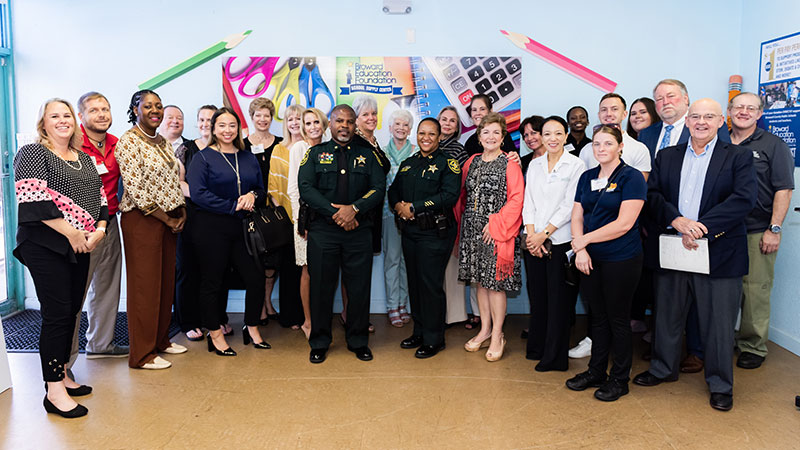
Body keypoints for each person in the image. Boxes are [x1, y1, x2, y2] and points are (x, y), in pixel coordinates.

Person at [633, 99, 757, 412]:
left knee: (717, 323)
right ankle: (663, 368)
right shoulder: (667, 155)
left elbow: (743, 199)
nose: (701, 122)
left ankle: (720, 384)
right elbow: (653, 195)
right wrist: (677, 221)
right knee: (668, 314)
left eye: (709, 117)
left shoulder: (738, 156)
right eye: (696, 117)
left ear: (721, 122)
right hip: (675, 245)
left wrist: (701, 227)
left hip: (719, 251)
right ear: (687, 122)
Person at [14, 98, 108, 418]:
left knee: (70, 312)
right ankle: (53, 390)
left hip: (80, 245)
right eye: (54, 116)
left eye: (66, 115)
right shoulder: (32, 153)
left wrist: (100, 231)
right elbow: (33, 202)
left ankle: (64, 373)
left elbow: (103, 199)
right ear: (44, 123)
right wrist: (74, 233)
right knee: (56, 314)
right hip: (44, 245)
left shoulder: (84, 158)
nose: (62, 120)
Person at [636, 80, 731, 373]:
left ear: (686, 101)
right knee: (667, 301)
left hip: (707, 236)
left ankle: (698, 352)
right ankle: (664, 360)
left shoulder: (720, 141)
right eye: (659, 98)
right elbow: (652, 189)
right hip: (661, 227)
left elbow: (731, 193)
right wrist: (671, 219)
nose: (665, 102)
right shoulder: (649, 135)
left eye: (671, 96)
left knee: (704, 302)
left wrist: (699, 226)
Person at [298, 104, 386, 364]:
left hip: (359, 231)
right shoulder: (315, 154)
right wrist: (336, 213)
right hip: (323, 232)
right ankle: (319, 342)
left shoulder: (368, 155)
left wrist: (354, 209)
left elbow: (378, 188)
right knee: (321, 289)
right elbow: (306, 187)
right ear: (330, 125)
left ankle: (358, 341)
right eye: (339, 121)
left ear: (354, 124)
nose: (344, 126)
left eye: (349, 121)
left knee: (359, 289)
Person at [565, 125, 646, 401]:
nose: (601, 149)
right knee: (597, 318)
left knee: (618, 319)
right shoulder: (587, 177)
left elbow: (624, 224)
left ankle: (619, 379)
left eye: (608, 144)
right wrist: (582, 249)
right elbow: (577, 214)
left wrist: (584, 240)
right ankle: (596, 371)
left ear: (620, 146)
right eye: (597, 144)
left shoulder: (632, 178)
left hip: (621, 258)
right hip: (590, 259)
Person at [188, 107, 269, 356]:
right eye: (221, 125)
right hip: (211, 227)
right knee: (213, 281)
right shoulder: (202, 158)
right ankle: (215, 334)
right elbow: (198, 194)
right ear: (213, 129)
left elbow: (261, 189)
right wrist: (233, 204)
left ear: (239, 128)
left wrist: (251, 196)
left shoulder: (247, 157)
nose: (227, 130)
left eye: (232, 125)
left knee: (256, 278)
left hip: (243, 227)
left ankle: (252, 327)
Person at [116, 89, 187, 370]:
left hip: (168, 218)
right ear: (136, 110)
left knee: (165, 282)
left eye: (158, 106)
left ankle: (160, 341)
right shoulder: (129, 142)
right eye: (148, 106)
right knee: (145, 287)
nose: (155, 110)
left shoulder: (162, 142)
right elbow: (137, 190)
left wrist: (180, 212)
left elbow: (172, 181)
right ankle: (142, 354)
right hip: (143, 220)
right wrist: (167, 219)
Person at [728, 93, 794, 369]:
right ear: (729, 111)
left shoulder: (773, 145)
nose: (744, 112)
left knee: (754, 290)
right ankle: (722, 338)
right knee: (723, 289)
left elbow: (784, 189)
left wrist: (774, 229)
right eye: (738, 107)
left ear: (759, 114)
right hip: (721, 230)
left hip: (757, 229)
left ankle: (752, 346)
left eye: (750, 108)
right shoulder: (717, 141)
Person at [389, 118, 461, 358]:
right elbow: (393, 190)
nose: (426, 138)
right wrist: (399, 205)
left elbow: (449, 195)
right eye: (422, 133)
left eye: (431, 134)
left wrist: (415, 207)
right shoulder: (409, 163)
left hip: (435, 233)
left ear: (439, 137)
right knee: (415, 284)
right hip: (410, 232)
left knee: (430, 286)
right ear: (416, 135)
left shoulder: (448, 164)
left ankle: (434, 338)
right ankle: (419, 331)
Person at [456, 112, 524, 362]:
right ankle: (484, 330)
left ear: (504, 136)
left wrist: (495, 224)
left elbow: (517, 198)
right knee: (479, 283)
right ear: (478, 135)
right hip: (472, 231)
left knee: (495, 286)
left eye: (496, 132)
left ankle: (497, 335)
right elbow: (462, 194)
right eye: (486, 132)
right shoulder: (471, 162)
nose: (491, 136)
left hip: (498, 232)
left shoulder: (510, 163)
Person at [66, 92, 127, 368]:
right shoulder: (71, 143)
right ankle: (64, 360)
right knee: (74, 293)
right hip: (79, 229)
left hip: (110, 224)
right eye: (94, 110)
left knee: (107, 285)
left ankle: (100, 344)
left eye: (105, 109)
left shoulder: (118, 144)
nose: (101, 114)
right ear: (82, 116)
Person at [522, 116, 585, 372]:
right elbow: (529, 203)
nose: (552, 139)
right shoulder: (535, 165)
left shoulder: (576, 165)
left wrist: (544, 234)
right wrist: (531, 236)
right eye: (547, 134)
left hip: (559, 241)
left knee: (559, 302)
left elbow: (569, 205)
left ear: (566, 136)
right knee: (538, 299)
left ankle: (555, 358)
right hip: (535, 242)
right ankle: (537, 347)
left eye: (558, 133)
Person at [174, 104, 219, 341]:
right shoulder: (186, 149)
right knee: (187, 271)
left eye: (210, 120)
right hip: (191, 216)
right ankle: (188, 321)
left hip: (218, 218)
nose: (204, 124)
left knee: (212, 271)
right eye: (201, 119)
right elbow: (178, 182)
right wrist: (202, 195)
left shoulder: (224, 148)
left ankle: (212, 320)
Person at [349, 95, 390, 330]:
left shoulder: (373, 141)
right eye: (365, 114)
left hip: (373, 212)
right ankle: (355, 319)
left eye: (373, 113)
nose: (371, 118)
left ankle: (354, 317)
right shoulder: (356, 143)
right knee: (356, 271)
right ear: (355, 119)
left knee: (361, 270)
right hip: (360, 214)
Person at [287, 107, 329, 338]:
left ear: (323, 124)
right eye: (308, 123)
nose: (313, 127)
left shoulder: (329, 149)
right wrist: (299, 222)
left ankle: (323, 318)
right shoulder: (299, 149)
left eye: (316, 122)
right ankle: (308, 321)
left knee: (326, 272)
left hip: (327, 221)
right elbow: (293, 188)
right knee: (308, 271)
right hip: (305, 221)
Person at [243, 98, 283, 325]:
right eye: (258, 115)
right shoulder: (243, 144)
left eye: (266, 115)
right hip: (251, 210)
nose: (262, 119)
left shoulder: (279, 143)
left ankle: (267, 303)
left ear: (271, 117)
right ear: (252, 117)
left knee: (272, 262)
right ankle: (258, 307)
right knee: (254, 262)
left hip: (274, 210)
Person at [265, 103, 305, 328]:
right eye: (290, 119)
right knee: (290, 270)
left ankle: (309, 315)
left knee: (308, 271)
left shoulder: (312, 147)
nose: (295, 123)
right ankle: (291, 316)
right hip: (286, 220)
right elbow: (273, 186)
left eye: (299, 119)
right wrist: (284, 215)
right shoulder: (279, 149)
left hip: (309, 219)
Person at [438, 106, 473, 328]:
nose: (448, 123)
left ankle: (455, 315)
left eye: (452, 121)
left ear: (457, 127)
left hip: (452, 211)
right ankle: (437, 313)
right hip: (429, 214)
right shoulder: (425, 145)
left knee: (452, 266)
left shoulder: (459, 150)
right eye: (444, 119)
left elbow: (463, 186)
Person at [383, 109, 415, 327]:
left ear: (410, 129)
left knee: (407, 261)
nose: (401, 128)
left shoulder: (416, 152)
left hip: (412, 215)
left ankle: (404, 304)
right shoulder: (383, 152)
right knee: (392, 260)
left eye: (405, 125)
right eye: (397, 124)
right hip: (388, 213)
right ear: (390, 128)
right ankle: (393, 306)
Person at [578, 93, 652, 178]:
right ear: (599, 115)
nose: (608, 114)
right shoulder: (586, 150)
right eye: (604, 109)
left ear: (624, 114)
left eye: (614, 109)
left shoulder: (639, 149)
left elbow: (639, 187)